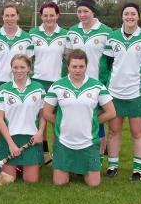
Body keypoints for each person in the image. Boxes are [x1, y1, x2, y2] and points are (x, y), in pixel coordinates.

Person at [103, 2, 141, 181]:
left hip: (136, 92)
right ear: (122, 16)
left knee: (138, 132)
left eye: (133, 14)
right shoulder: (112, 37)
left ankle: (138, 169)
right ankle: (112, 166)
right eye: (126, 13)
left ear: (138, 16)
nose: (130, 17)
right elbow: (107, 64)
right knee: (113, 131)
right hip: (114, 92)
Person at [43, 50, 116, 187]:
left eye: (81, 66)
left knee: (94, 184)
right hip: (64, 141)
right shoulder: (57, 86)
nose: (78, 70)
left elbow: (111, 112)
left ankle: (80, 169)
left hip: (88, 141)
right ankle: (71, 168)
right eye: (74, 66)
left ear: (86, 66)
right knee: (59, 183)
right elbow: (47, 113)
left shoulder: (97, 86)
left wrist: (93, 122)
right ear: (68, 67)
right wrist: (63, 123)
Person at [0, 3, 34, 150]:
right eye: (7, 15)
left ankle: (16, 153)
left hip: (18, 85)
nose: (10, 18)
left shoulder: (27, 38)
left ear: (18, 16)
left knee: (16, 121)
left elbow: (28, 63)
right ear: (2, 17)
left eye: (13, 15)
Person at [66, 0, 111, 155]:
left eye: (86, 11)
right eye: (79, 11)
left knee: (97, 119)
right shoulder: (72, 31)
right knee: (79, 116)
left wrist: (105, 83)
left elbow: (110, 61)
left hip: (98, 83)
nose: (82, 14)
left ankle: (98, 156)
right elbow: (67, 58)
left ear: (92, 11)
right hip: (76, 82)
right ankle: (79, 152)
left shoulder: (106, 31)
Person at [0, 55, 46, 182]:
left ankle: (23, 167)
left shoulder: (38, 88)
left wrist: (40, 133)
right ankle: (16, 167)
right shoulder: (3, 89)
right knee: (9, 180)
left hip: (31, 140)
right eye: (15, 67)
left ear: (29, 68)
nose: (19, 70)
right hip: (9, 139)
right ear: (11, 69)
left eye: (22, 67)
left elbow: (43, 114)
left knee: (31, 180)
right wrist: (11, 144)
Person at [29, 1, 69, 162]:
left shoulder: (65, 35)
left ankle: (58, 155)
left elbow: (69, 59)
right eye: (45, 15)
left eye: (52, 15)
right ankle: (41, 155)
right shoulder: (33, 33)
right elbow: (27, 59)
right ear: (41, 16)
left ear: (57, 15)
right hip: (37, 82)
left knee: (57, 120)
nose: (49, 18)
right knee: (39, 119)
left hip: (58, 84)